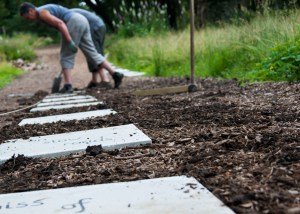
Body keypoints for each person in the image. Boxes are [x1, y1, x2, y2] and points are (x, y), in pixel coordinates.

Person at [19, 2, 124, 93]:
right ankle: (115, 74)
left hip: (73, 21)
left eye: (27, 17)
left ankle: (68, 86)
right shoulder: (44, 10)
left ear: (31, 11)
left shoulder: (42, 12)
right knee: (92, 53)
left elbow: (60, 23)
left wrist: (69, 41)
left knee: (66, 55)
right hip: (82, 20)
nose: (28, 20)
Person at [70, 8, 110, 89]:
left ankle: (105, 80)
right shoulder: (69, 12)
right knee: (96, 53)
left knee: (93, 53)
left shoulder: (68, 16)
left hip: (94, 27)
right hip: (100, 25)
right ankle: (94, 80)